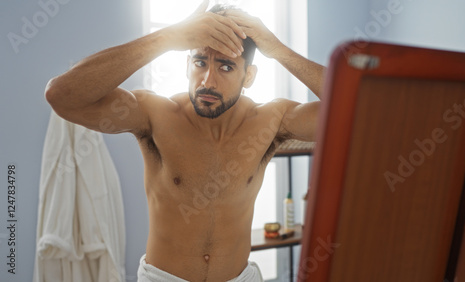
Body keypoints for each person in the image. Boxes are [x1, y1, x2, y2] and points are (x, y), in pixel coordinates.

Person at [45, 1, 325, 281]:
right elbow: (61, 96)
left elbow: (360, 110)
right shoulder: (155, 114)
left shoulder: (271, 120)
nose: (207, 81)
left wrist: (278, 50)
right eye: (200, 62)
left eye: (226, 67)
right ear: (187, 64)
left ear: (248, 76)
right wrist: (169, 37)